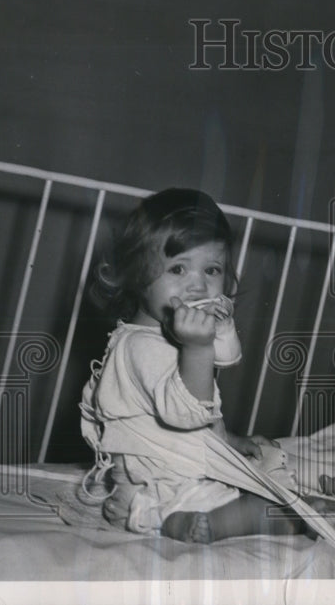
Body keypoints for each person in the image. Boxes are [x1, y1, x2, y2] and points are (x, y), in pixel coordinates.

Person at [79, 188, 307, 543]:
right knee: (277, 506)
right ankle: (201, 522)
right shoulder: (141, 346)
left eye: (212, 269)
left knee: (273, 478)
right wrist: (198, 346)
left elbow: (225, 360)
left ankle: (172, 519)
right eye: (178, 268)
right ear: (138, 275)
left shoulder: (162, 336)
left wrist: (228, 440)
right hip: (162, 482)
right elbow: (185, 415)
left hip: (164, 475)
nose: (198, 284)